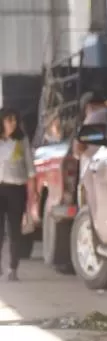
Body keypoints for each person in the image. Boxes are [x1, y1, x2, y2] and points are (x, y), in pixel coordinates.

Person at [0, 109, 35, 281]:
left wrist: (33, 193)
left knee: (14, 230)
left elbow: (30, 169)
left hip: (16, 189)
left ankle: (13, 267)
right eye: (9, 120)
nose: (13, 123)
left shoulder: (22, 141)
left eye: (15, 120)